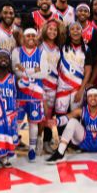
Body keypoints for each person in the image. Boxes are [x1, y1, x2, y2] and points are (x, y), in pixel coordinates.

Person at [45, 88, 97, 168]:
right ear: (86, 98)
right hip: (85, 143)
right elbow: (67, 117)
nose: (93, 98)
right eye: (90, 96)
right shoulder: (81, 110)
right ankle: (60, 153)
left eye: (96, 96)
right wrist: (56, 122)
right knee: (72, 121)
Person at [13, 28, 45, 161]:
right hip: (20, 94)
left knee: (33, 123)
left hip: (35, 94)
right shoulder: (16, 51)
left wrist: (25, 71)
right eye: (28, 35)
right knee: (16, 123)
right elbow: (15, 70)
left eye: (33, 35)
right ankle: (11, 148)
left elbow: (44, 73)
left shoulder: (42, 51)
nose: (31, 37)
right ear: (23, 38)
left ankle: (31, 149)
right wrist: (34, 70)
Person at [55, 22, 95, 122]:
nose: (75, 31)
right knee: (60, 113)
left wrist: (81, 90)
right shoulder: (62, 47)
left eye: (78, 29)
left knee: (76, 115)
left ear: (82, 32)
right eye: (73, 29)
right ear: (69, 33)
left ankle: (75, 137)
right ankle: (61, 136)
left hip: (77, 88)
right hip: (62, 86)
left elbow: (88, 71)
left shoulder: (87, 49)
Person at [39, 19, 63, 154]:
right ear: (45, 30)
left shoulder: (58, 49)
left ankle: (47, 141)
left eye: (55, 30)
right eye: (50, 29)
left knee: (49, 115)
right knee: (40, 115)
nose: (53, 32)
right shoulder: (40, 46)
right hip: (41, 84)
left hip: (54, 85)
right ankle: (36, 140)